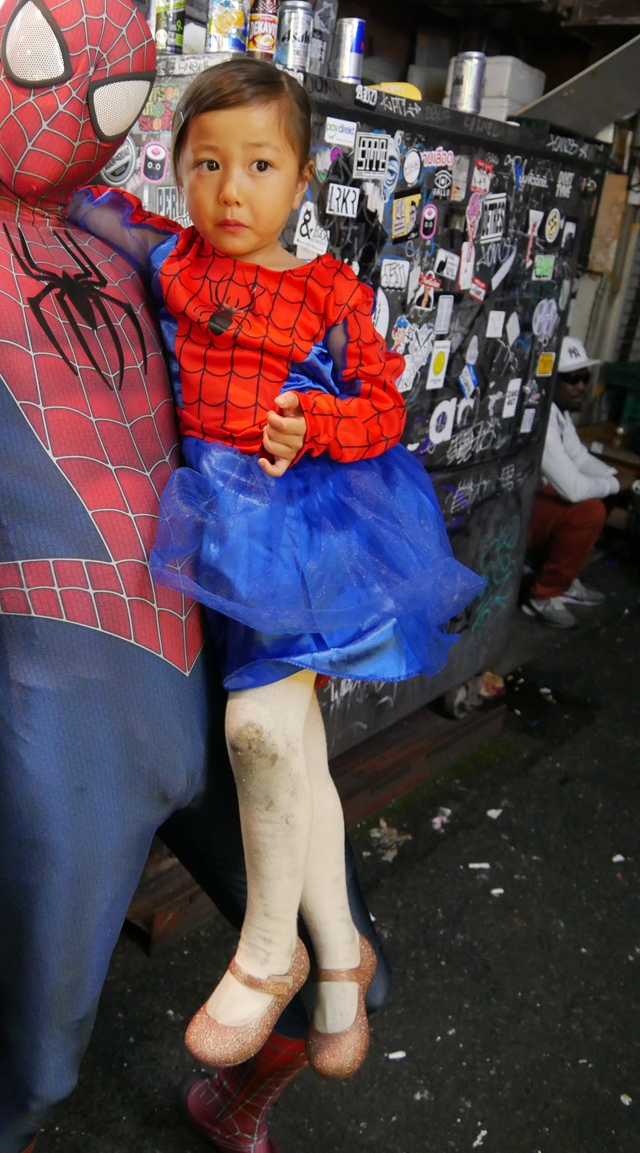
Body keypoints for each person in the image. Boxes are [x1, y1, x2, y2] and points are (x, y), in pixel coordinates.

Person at [0, 0, 390, 1153]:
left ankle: (232, 1102)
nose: (68, 107)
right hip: (52, 724)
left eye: (107, 92)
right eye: (41, 60)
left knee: (342, 975)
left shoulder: (127, 240)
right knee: (34, 1077)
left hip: (217, 685)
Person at [70, 59, 483, 1081]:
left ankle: (268, 945)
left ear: (303, 177)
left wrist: (318, 422)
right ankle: (342, 958)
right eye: (205, 164)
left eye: (259, 164)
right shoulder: (172, 263)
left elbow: (387, 409)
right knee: (293, 749)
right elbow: (88, 200)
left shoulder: (330, 294)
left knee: (256, 726)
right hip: (210, 525)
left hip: (305, 529)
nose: (230, 190)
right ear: (179, 170)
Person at [523, 335, 632, 629]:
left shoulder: (559, 413)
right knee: (589, 509)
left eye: (585, 378)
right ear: (552, 381)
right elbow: (572, 489)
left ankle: (562, 574)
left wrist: (618, 479)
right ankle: (544, 594)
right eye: (572, 379)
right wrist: (615, 484)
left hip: (537, 504)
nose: (582, 386)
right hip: (518, 516)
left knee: (604, 491)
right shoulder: (540, 416)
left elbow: (580, 458)